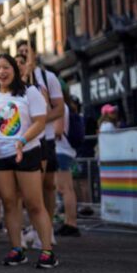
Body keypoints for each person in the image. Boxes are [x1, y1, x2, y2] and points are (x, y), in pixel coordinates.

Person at [0, 54, 58, 268]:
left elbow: (40, 122)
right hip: (1, 156)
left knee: (34, 203)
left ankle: (47, 251)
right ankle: (17, 249)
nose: (1, 72)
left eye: (6, 67)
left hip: (27, 151)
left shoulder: (29, 92)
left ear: (15, 70)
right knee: (9, 202)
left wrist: (22, 141)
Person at [17, 41, 65, 233]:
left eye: (26, 52)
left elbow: (59, 108)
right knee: (28, 189)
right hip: (23, 142)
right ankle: (33, 227)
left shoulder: (48, 77)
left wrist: (39, 121)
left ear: (34, 54)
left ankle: (47, 228)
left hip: (46, 138)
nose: (23, 56)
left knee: (47, 185)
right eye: (19, 53)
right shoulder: (13, 83)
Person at [54, 99, 81, 237]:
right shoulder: (64, 106)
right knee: (67, 189)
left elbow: (57, 131)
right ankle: (69, 222)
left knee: (65, 189)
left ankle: (71, 223)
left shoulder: (58, 106)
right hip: (66, 150)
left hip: (61, 150)